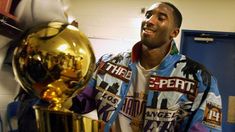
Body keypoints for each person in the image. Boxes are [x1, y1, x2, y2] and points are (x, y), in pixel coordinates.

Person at [67, 1, 222, 132]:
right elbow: (77, 102)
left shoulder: (199, 79)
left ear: (174, 33)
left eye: (161, 18)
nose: (150, 20)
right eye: (148, 15)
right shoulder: (108, 64)